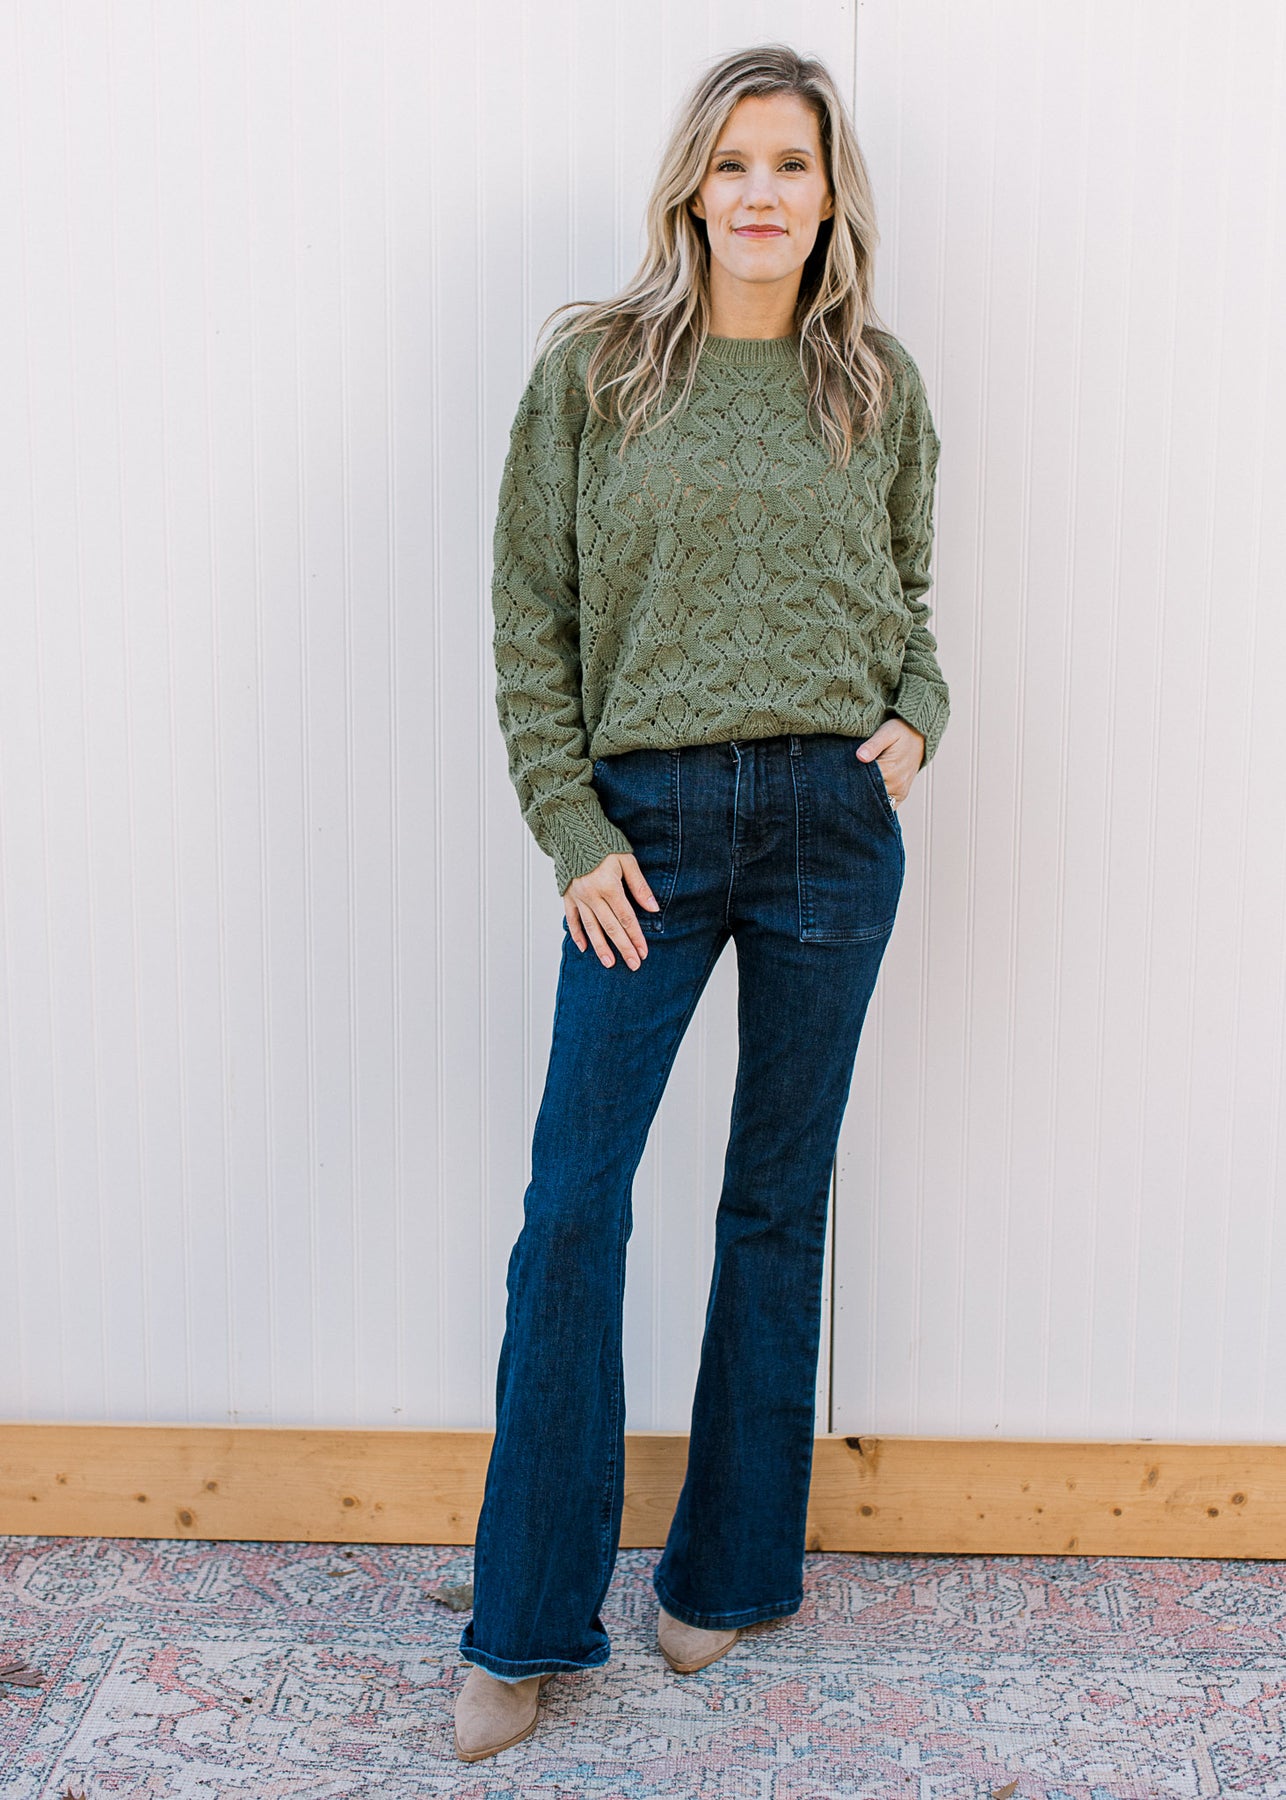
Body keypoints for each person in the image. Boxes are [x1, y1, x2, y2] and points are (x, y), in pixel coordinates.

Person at [454, 40, 949, 1762]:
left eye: (789, 164)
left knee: (773, 1205)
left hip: (829, 823)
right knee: (571, 1209)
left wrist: (917, 718)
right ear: (690, 184)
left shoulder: (872, 382)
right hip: (643, 836)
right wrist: (567, 825)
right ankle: (523, 1619)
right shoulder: (594, 372)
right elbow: (530, 618)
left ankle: (726, 1573)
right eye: (732, 161)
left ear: (827, 196)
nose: (758, 191)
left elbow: (908, 597)